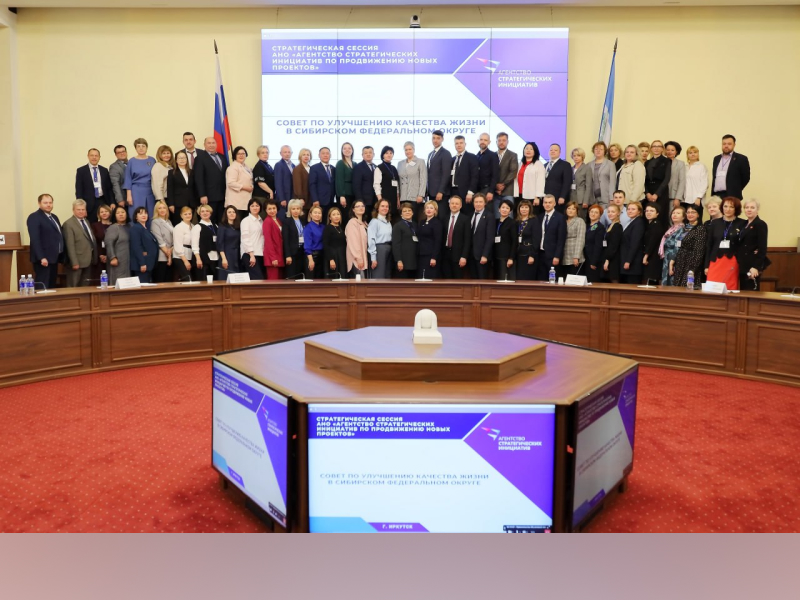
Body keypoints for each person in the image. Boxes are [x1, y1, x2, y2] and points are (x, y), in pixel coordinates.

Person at [705, 197, 746, 290]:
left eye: (731, 207)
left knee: (729, 288)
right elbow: (709, 245)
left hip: (733, 260)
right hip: (715, 261)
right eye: (725, 206)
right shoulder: (715, 223)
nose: (728, 209)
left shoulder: (742, 223)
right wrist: (706, 265)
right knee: (712, 288)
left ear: (736, 209)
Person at [27, 193, 64, 289]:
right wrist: (41, 257)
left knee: (51, 286)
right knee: (42, 286)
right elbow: (35, 239)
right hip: (43, 259)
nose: (48, 205)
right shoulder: (34, 217)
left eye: (50, 203)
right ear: (39, 203)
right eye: (45, 203)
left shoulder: (54, 217)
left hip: (54, 258)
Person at [62, 199, 98, 287]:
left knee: (85, 286)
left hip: (88, 260)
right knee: (73, 286)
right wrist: (74, 262)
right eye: (78, 209)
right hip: (77, 262)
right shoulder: (68, 224)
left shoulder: (86, 221)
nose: (81, 211)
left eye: (83, 209)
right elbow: (70, 245)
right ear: (73, 210)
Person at [736, 199, 770, 291]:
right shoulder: (743, 224)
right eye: (747, 207)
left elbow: (762, 248)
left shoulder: (760, 224)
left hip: (752, 265)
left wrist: (756, 267)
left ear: (757, 209)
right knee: (743, 292)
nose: (749, 210)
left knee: (751, 292)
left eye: (752, 207)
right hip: (743, 264)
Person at [673, 204, 708, 289]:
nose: (690, 214)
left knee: (687, 287)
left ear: (698, 214)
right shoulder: (684, 227)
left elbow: (699, 251)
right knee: (677, 288)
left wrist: (693, 269)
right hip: (681, 261)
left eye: (693, 212)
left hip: (691, 263)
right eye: (688, 212)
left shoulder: (700, 229)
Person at [193, 136, 227, 222]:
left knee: (221, 221)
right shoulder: (200, 158)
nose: (211, 145)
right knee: (209, 220)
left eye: (213, 143)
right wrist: (202, 195)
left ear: (216, 144)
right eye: (209, 143)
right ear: (204, 145)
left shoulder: (222, 157)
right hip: (209, 197)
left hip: (223, 196)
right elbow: (198, 178)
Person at [75, 148, 113, 222]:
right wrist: (81, 207)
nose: (94, 157)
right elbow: (79, 190)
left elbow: (109, 188)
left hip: (103, 201)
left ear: (99, 157)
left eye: (96, 155)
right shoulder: (81, 171)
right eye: (92, 155)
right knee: (92, 224)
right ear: (88, 156)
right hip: (89, 203)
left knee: (104, 223)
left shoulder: (104, 170)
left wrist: (112, 202)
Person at [123, 138, 156, 221]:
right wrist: (129, 196)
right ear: (135, 148)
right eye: (138, 146)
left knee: (150, 213)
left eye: (143, 146)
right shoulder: (131, 161)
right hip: (136, 191)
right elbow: (128, 178)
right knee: (137, 213)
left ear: (147, 147)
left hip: (150, 191)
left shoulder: (152, 160)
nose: (141, 148)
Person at [440, 195, 471, 279]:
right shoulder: (444, 218)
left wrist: (464, 256)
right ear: (449, 205)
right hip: (445, 255)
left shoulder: (465, 219)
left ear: (460, 206)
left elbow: (467, 240)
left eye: (457, 204)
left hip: (458, 256)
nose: (454, 205)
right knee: (446, 280)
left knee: (457, 280)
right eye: (452, 203)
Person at [537, 195, 567, 281]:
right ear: (543, 204)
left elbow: (561, 239)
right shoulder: (540, 217)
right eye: (545, 202)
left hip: (552, 256)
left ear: (554, 204)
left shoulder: (560, 217)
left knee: (553, 281)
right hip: (540, 254)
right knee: (541, 281)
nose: (547, 204)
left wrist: (557, 256)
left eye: (550, 202)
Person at [711, 134, 750, 200]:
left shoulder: (741, 159)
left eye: (729, 144)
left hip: (732, 195)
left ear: (734, 145)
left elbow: (746, 178)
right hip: (716, 196)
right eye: (724, 144)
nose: (726, 146)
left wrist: (736, 189)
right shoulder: (716, 159)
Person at [398, 141, 427, 221]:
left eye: (410, 149)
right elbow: (398, 181)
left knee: (413, 220)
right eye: (406, 150)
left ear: (414, 150)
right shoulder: (400, 163)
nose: (408, 151)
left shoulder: (420, 161)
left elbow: (423, 179)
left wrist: (421, 194)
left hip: (415, 197)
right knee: (403, 219)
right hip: (403, 197)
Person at [449, 136, 479, 215]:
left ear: (465, 144)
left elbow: (475, 176)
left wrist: (470, 192)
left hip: (466, 193)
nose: (459, 145)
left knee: (467, 215)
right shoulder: (453, 159)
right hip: (453, 192)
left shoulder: (472, 157)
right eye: (457, 143)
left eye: (461, 143)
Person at [645, 140, 672, 226]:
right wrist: (647, 193)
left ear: (662, 149)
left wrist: (657, 194)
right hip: (649, 192)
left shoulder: (667, 161)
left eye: (659, 146)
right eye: (654, 146)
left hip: (661, 192)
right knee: (648, 217)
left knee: (661, 216)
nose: (656, 148)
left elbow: (667, 179)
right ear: (651, 149)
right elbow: (644, 180)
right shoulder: (647, 162)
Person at [167, 150, 196, 226]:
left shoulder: (192, 172)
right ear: (176, 160)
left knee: (189, 224)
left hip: (191, 203)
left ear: (187, 159)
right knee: (178, 224)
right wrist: (171, 204)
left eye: (184, 158)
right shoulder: (171, 172)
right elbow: (170, 189)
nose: (182, 160)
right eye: (180, 158)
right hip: (178, 203)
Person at [660, 206, 688, 286]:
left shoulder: (682, 229)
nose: (674, 215)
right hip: (667, 256)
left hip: (674, 257)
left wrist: (672, 262)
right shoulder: (671, 229)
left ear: (683, 217)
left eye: (678, 213)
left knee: (671, 281)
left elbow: (677, 246)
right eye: (673, 213)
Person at [129, 206, 159, 283]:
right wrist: (142, 263)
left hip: (149, 264)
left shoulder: (145, 229)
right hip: (142, 265)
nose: (144, 215)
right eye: (140, 213)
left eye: (145, 213)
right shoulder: (135, 228)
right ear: (136, 217)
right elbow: (136, 247)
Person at [468, 193, 495, 280]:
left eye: (480, 202)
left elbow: (490, 238)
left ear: (485, 203)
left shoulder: (489, 216)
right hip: (471, 256)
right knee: (472, 281)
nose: (478, 204)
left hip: (482, 256)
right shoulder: (470, 215)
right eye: (476, 202)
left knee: (482, 281)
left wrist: (485, 255)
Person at [514, 142, 545, 214]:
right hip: (519, 195)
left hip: (531, 196)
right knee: (519, 216)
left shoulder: (538, 164)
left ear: (535, 151)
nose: (528, 150)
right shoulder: (520, 164)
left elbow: (541, 181)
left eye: (531, 149)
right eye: (526, 148)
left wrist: (538, 197)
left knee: (531, 216)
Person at [619, 201, 646, 284]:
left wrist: (628, 261)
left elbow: (635, 243)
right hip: (628, 260)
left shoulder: (638, 223)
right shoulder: (631, 221)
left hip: (633, 263)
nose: (630, 211)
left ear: (639, 211)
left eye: (633, 209)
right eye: (628, 209)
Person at [226, 146, 254, 222]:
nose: (241, 155)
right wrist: (245, 187)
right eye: (238, 154)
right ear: (235, 155)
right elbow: (231, 183)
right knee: (237, 223)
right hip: (236, 202)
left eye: (243, 153)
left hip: (245, 201)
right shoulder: (233, 167)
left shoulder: (246, 167)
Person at [494, 132, 519, 219]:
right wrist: (496, 186)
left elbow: (513, 172)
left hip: (508, 190)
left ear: (507, 142)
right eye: (499, 140)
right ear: (496, 142)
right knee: (497, 217)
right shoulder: (493, 155)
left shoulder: (513, 155)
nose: (501, 142)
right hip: (495, 191)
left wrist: (502, 185)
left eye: (504, 140)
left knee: (508, 217)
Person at [105, 205, 131, 286]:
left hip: (129, 261)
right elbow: (108, 243)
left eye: (123, 212)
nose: (121, 214)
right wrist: (112, 257)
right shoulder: (113, 228)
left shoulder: (130, 226)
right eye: (118, 213)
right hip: (118, 261)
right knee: (118, 283)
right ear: (114, 215)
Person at [391, 202, 418, 279]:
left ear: (412, 213)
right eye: (404, 211)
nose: (407, 212)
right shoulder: (397, 226)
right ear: (401, 214)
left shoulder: (415, 225)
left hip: (414, 261)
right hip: (403, 262)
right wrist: (399, 260)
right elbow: (396, 245)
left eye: (409, 210)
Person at [544, 143, 574, 213]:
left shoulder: (565, 165)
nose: (553, 151)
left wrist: (562, 196)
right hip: (546, 198)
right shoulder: (544, 165)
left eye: (555, 150)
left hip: (558, 198)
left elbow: (567, 182)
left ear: (560, 152)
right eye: (551, 150)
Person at [192, 205, 219, 281]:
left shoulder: (215, 226)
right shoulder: (197, 227)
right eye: (202, 211)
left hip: (216, 259)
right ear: (199, 214)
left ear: (210, 213)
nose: (205, 213)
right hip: (203, 259)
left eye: (207, 211)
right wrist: (198, 259)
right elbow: (194, 245)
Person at [367, 199, 392, 279]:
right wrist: (373, 258)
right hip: (379, 249)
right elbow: (371, 240)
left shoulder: (388, 222)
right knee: (379, 276)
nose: (385, 208)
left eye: (387, 206)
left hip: (388, 248)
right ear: (377, 208)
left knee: (387, 275)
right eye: (382, 206)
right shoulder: (374, 221)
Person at [427, 130, 452, 209]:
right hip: (431, 192)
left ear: (442, 139)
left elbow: (446, 174)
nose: (435, 140)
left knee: (441, 214)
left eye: (438, 138)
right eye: (433, 138)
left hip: (440, 193)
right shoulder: (430, 154)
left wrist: (441, 191)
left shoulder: (446, 153)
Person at [240, 199, 265, 280]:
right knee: (257, 279)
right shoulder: (246, 221)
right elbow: (245, 239)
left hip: (260, 253)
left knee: (262, 279)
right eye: (252, 206)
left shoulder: (261, 221)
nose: (255, 208)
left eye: (257, 206)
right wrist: (251, 255)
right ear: (249, 207)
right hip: (249, 254)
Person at [149, 200, 174, 283]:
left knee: (169, 281)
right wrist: (168, 255)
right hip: (161, 256)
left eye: (164, 208)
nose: (162, 210)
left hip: (170, 253)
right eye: (159, 208)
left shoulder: (169, 222)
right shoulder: (155, 222)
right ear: (156, 210)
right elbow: (159, 240)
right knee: (160, 281)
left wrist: (171, 250)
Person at [515, 200, 539, 281]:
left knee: (527, 278)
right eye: (522, 207)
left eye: (526, 207)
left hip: (528, 254)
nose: (524, 209)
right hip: (518, 254)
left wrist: (532, 255)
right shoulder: (517, 221)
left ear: (530, 209)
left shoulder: (534, 220)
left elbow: (536, 239)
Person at [309, 146, 336, 218]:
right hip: (319, 201)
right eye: (323, 153)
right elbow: (312, 185)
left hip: (331, 200)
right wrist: (315, 199)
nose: (325, 155)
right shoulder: (314, 168)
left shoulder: (333, 168)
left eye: (327, 153)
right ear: (319, 155)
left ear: (330, 155)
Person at [493, 199, 517, 280]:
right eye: (503, 207)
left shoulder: (512, 223)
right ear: (499, 209)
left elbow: (514, 241)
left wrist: (511, 258)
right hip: (495, 256)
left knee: (504, 279)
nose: (504, 210)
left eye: (507, 208)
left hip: (506, 257)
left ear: (510, 211)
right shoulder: (495, 221)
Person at [417, 200, 442, 279]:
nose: (429, 210)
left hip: (430, 255)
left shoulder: (437, 223)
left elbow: (438, 241)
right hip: (421, 254)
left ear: (435, 211)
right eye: (427, 208)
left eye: (431, 208)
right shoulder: (422, 222)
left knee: (429, 277)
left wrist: (434, 257)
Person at [641, 204, 665, 285]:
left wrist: (646, 256)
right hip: (651, 256)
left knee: (651, 280)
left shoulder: (656, 225)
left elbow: (652, 242)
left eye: (652, 211)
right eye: (647, 211)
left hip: (653, 257)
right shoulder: (650, 224)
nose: (648, 213)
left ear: (657, 213)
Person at [217, 205, 243, 280]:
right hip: (227, 255)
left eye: (233, 212)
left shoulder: (238, 227)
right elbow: (220, 243)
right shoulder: (222, 226)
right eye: (229, 212)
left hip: (237, 255)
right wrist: (223, 258)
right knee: (227, 277)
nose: (232, 214)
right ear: (226, 214)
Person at [374, 146, 400, 221]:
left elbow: (397, 185)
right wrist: (380, 201)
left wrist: (398, 199)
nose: (389, 155)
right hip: (384, 198)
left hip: (394, 198)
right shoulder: (379, 168)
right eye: (386, 153)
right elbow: (376, 185)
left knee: (393, 218)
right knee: (385, 218)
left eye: (391, 153)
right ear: (383, 155)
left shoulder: (394, 168)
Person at [262, 199, 285, 280]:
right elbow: (268, 241)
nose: (272, 211)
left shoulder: (278, 220)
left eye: (274, 208)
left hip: (279, 254)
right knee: (273, 282)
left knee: (280, 281)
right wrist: (273, 257)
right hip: (272, 257)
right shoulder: (267, 221)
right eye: (269, 209)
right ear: (266, 210)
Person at [352, 146, 378, 217]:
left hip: (375, 201)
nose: (368, 154)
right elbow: (356, 186)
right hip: (364, 202)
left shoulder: (376, 167)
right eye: (366, 153)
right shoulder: (358, 167)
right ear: (362, 155)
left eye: (370, 152)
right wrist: (360, 202)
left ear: (373, 154)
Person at [283, 199, 306, 279]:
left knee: (300, 276)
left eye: (298, 208)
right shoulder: (287, 222)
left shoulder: (303, 221)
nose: (296, 211)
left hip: (302, 252)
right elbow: (285, 240)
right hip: (292, 253)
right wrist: (288, 255)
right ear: (290, 210)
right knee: (292, 276)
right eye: (293, 209)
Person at [684, 145, 708, 221]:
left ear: (698, 154)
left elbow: (704, 183)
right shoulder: (685, 166)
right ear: (687, 155)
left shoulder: (701, 166)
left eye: (695, 152)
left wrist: (699, 197)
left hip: (696, 199)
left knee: (696, 221)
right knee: (686, 221)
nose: (693, 154)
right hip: (685, 199)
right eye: (690, 153)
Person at [345, 199, 369, 277]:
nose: (361, 208)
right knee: (359, 282)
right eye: (357, 206)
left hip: (364, 257)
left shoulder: (365, 223)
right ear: (353, 209)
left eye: (362, 206)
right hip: (356, 259)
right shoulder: (352, 223)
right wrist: (359, 258)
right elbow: (353, 243)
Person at [590, 141, 616, 211]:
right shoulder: (589, 165)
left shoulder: (610, 164)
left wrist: (611, 198)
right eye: (596, 149)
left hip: (605, 197)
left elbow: (612, 182)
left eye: (601, 149)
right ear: (593, 151)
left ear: (605, 151)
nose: (598, 151)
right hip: (592, 197)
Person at [322, 206, 347, 279]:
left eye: (338, 214)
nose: (336, 216)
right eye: (334, 214)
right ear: (330, 217)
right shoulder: (328, 228)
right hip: (333, 256)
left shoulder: (342, 227)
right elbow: (326, 245)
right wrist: (331, 259)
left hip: (342, 255)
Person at [563, 201, 586, 276]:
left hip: (574, 255)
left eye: (573, 209)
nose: (570, 210)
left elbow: (580, 239)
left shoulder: (579, 221)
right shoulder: (563, 221)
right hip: (564, 255)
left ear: (577, 211)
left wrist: (576, 256)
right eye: (569, 208)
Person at [601, 204, 623, 284]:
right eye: (609, 212)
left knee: (613, 278)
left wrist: (607, 260)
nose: (610, 213)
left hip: (613, 258)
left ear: (618, 213)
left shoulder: (617, 226)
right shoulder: (610, 225)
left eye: (613, 212)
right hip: (608, 255)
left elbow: (614, 245)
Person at [171, 206, 194, 282]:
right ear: (181, 215)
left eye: (189, 214)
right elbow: (177, 245)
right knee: (187, 278)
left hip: (190, 255)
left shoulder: (193, 226)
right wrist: (185, 261)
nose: (188, 215)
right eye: (185, 214)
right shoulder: (179, 227)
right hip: (180, 257)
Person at [91, 204, 113, 281]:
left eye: (106, 211)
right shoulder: (95, 225)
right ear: (99, 214)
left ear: (110, 213)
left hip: (112, 255)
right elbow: (94, 242)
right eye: (102, 212)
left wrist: (109, 256)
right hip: (99, 256)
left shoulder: (114, 226)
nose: (104, 213)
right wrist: (100, 255)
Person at [475, 132, 498, 206]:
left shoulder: (493, 155)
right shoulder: (476, 156)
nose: (483, 142)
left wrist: (491, 191)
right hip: (476, 189)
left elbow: (495, 174)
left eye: (485, 140)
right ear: (478, 141)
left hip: (487, 189)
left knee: (487, 210)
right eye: (481, 139)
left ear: (489, 142)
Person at [584, 205, 605, 283]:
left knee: (592, 281)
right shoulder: (586, 225)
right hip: (585, 258)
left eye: (596, 212)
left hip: (593, 259)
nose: (593, 214)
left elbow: (598, 246)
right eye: (591, 212)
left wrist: (594, 262)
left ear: (600, 215)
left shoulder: (600, 227)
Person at [150, 145, 174, 216]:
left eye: (168, 153)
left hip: (170, 198)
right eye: (164, 153)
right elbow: (157, 185)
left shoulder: (170, 166)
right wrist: (161, 201)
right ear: (159, 155)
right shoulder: (158, 166)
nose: (166, 155)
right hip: (163, 199)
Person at [304, 205, 325, 279]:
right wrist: (310, 260)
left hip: (322, 256)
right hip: (312, 256)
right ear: (310, 214)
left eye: (319, 213)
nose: (317, 215)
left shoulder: (323, 227)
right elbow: (307, 245)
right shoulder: (308, 227)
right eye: (315, 213)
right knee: (311, 279)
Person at [570, 147, 593, 217]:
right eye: (574, 156)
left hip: (581, 198)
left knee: (581, 217)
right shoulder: (571, 168)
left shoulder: (587, 168)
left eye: (578, 155)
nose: (576, 157)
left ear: (582, 156)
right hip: (571, 197)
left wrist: (585, 201)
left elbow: (588, 186)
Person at [274, 145, 295, 216]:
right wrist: (282, 198)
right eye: (285, 152)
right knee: (283, 217)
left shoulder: (293, 165)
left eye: (289, 152)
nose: (287, 154)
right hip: (283, 198)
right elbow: (278, 183)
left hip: (291, 197)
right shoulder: (279, 165)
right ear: (281, 153)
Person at [334, 142, 354, 215]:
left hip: (353, 194)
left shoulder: (355, 164)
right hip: (344, 195)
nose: (347, 150)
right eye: (344, 148)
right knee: (345, 215)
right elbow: (339, 180)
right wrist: (342, 196)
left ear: (352, 150)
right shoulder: (340, 163)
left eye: (349, 148)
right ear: (342, 151)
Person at [665, 141, 686, 209]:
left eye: (672, 150)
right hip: (661, 196)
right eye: (668, 150)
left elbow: (682, 181)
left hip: (673, 196)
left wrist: (678, 198)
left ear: (676, 151)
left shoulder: (680, 164)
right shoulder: (661, 162)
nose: (669, 152)